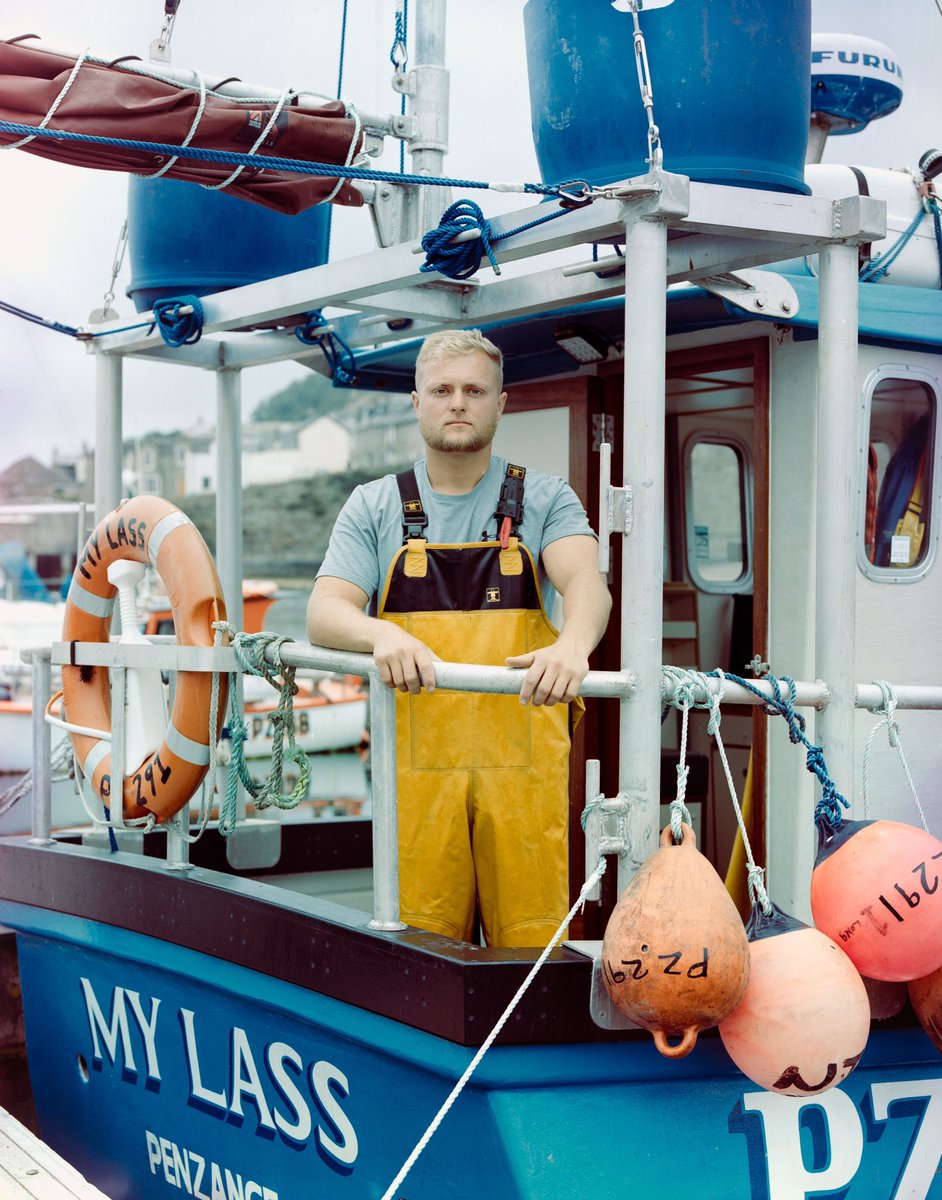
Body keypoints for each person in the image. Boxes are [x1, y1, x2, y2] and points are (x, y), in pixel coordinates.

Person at [307, 329, 611, 947]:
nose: (458, 403)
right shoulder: (373, 506)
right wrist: (380, 635)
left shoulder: (547, 498)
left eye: (475, 390)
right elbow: (325, 613)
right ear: (416, 402)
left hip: (522, 767)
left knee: (532, 948)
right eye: (442, 390)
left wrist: (571, 645)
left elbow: (586, 582)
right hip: (417, 770)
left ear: (501, 404)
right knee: (419, 945)